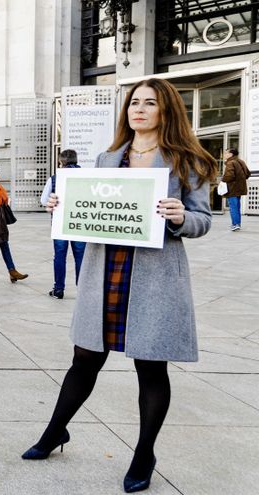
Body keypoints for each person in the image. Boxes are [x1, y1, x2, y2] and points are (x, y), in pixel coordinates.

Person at [23, 78, 215, 494]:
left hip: (153, 275)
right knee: (84, 357)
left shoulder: (186, 160)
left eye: (150, 103)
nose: (139, 109)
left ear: (166, 111)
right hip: (105, 269)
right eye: (134, 103)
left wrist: (181, 216)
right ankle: (55, 431)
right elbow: (91, 207)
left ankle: (144, 453)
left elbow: (202, 220)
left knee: (150, 366)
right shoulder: (108, 158)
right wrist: (62, 204)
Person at [40, 149, 86, 299]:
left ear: (61, 162)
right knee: (80, 256)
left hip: (60, 223)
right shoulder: (86, 177)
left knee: (60, 255)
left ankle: (58, 289)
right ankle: (82, 290)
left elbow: (43, 200)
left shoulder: (54, 178)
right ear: (76, 160)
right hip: (80, 222)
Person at [221, 148, 250, 231]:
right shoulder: (241, 161)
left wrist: (222, 181)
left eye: (226, 153)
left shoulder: (230, 163)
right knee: (237, 206)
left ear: (231, 154)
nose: (224, 155)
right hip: (239, 188)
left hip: (232, 188)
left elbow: (229, 176)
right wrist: (240, 179)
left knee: (233, 207)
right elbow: (248, 174)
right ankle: (237, 223)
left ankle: (235, 224)